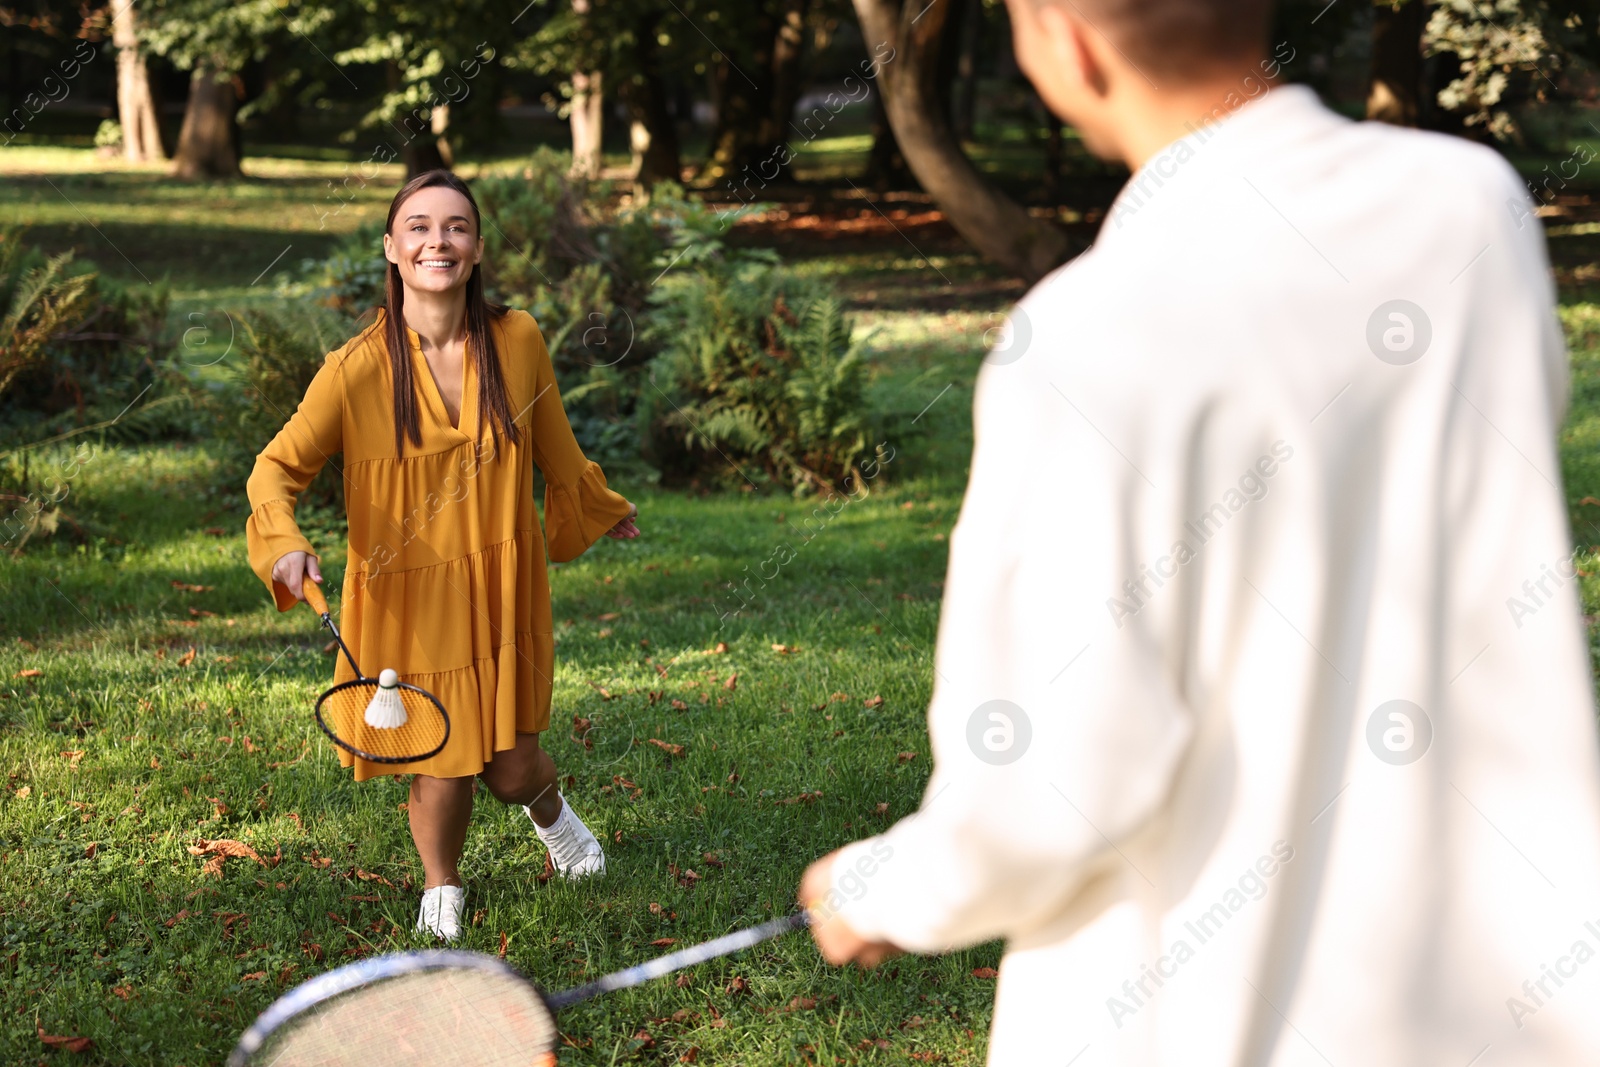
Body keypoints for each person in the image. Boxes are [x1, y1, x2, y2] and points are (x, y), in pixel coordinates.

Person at [801, 1, 1600, 1064]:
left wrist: (886, 886)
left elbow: (1056, 777)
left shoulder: (1082, 341)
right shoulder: (1470, 206)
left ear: (1058, 38)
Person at [245, 170, 639, 942]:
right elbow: (276, 467)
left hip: (499, 582)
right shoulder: (355, 366)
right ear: (392, 249)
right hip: (406, 595)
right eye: (419, 226)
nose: (438, 240)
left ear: (478, 247)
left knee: (513, 766)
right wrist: (284, 544)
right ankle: (441, 888)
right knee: (442, 756)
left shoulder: (517, 338)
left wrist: (594, 503)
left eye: (455, 226)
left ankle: (554, 819)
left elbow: (554, 443)